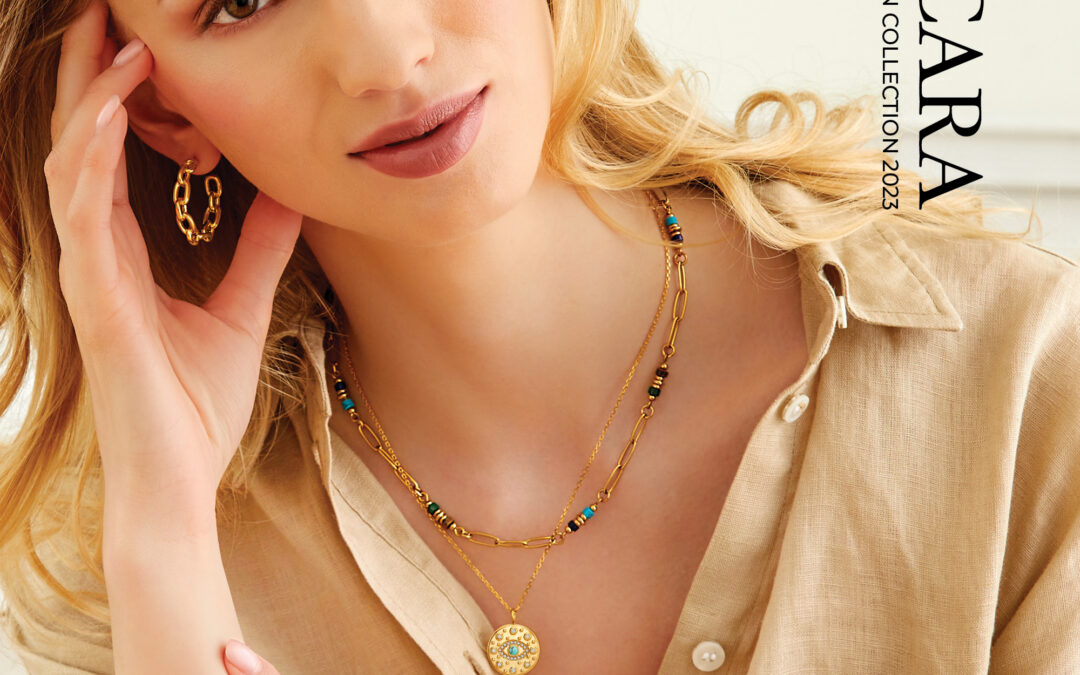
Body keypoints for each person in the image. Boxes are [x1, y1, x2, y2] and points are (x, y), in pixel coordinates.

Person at [0, 0, 1077, 673]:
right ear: (158, 111)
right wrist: (166, 542)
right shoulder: (110, 576)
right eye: (240, 1)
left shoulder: (1016, 378)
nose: (388, 50)